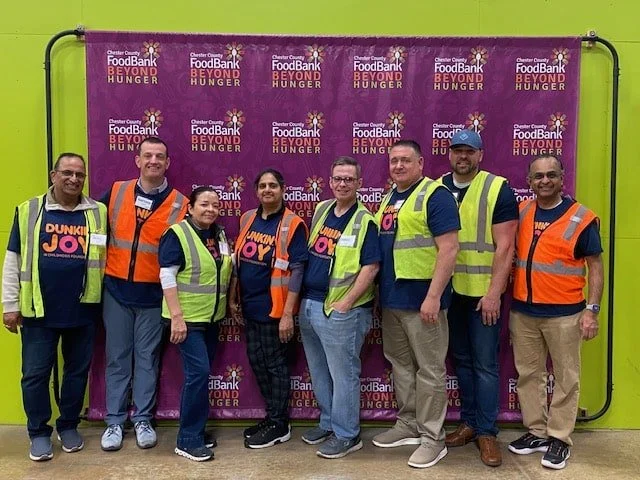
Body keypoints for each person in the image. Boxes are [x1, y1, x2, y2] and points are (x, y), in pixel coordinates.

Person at [2, 153, 107, 461]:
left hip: (83, 310)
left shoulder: (97, 212)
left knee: (76, 373)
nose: (74, 179)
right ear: (53, 175)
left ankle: (69, 425)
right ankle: (38, 432)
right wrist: (10, 304)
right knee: (34, 376)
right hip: (38, 312)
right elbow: (13, 260)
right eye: (67, 173)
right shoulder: (29, 210)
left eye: (80, 174)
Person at [508, 154, 603, 470]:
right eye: (538, 176)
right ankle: (537, 432)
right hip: (524, 312)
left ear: (563, 178)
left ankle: (559, 438)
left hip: (565, 314)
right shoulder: (522, 211)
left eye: (551, 175)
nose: (545, 181)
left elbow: (596, 267)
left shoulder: (581, 218)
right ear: (529, 181)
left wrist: (592, 310)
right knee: (528, 374)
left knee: (566, 378)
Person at [372, 140, 460, 468]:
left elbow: (449, 249)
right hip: (392, 300)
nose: (398, 166)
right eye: (394, 160)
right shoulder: (389, 198)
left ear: (420, 163)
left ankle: (433, 438)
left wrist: (434, 297)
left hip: (424, 300)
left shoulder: (435, 196)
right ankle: (408, 423)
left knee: (430, 370)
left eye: (405, 160)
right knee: (401, 365)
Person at [100, 136, 188, 451]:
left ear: (167, 163)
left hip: (154, 297)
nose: (153, 161)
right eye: (147, 155)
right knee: (117, 359)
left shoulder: (181, 203)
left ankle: (142, 419)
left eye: (159, 156)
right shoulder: (116, 192)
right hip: (116, 292)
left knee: (148, 359)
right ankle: (114, 422)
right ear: (137, 160)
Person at [441, 130, 518, 467]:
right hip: (450, 294)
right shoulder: (437, 187)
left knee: (485, 365)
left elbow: (506, 247)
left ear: (480, 155)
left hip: (482, 295)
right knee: (462, 360)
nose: (463, 156)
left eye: (469, 151)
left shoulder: (497, 188)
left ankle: (487, 432)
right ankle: (469, 423)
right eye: (457, 150)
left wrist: (494, 294)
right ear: (449, 154)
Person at [298, 156, 380, 459]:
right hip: (311, 304)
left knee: (343, 374)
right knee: (319, 371)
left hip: (343, 311)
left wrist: (346, 302)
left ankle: (347, 434)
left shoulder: (365, 220)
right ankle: (328, 422)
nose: (342, 184)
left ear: (359, 183)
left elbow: (371, 267)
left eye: (349, 179)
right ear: (330, 181)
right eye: (337, 178)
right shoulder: (322, 209)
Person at [229, 168, 308, 449]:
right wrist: (233, 297)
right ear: (256, 191)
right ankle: (272, 415)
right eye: (262, 185)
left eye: (273, 185)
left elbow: (298, 270)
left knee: (275, 366)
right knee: (257, 362)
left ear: (283, 189)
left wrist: (288, 314)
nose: (267, 190)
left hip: (275, 310)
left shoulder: (293, 223)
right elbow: (238, 260)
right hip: (249, 307)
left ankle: (280, 423)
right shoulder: (247, 218)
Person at [158, 187, 234, 462]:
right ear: (190, 208)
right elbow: (167, 276)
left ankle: (197, 431)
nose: (210, 209)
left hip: (211, 318)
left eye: (215, 205)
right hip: (187, 320)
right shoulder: (177, 234)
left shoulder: (219, 234)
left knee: (200, 376)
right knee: (198, 374)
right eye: (204, 204)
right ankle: (188, 440)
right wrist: (177, 317)